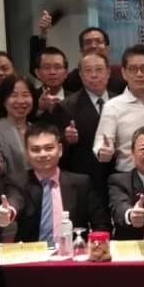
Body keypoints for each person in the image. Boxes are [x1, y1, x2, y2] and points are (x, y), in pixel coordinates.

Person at [0, 124, 110, 243]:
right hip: (32, 254)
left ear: (60, 150)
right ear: (27, 154)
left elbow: (100, 223)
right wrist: (9, 212)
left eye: (49, 148)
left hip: (73, 254)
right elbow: (15, 200)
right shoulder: (18, 182)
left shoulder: (81, 183)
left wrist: (96, 247)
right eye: (35, 149)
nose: (43, 154)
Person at [94, 45, 144, 173]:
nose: (139, 74)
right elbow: (101, 142)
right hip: (128, 177)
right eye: (133, 69)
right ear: (124, 73)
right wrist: (103, 151)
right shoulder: (112, 106)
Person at [56, 53, 116, 191]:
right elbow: (58, 146)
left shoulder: (120, 101)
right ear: (81, 76)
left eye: (99, 70)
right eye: (88, 71)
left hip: (117, 174)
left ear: (108, 72)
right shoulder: (66, 106)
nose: (94, 75)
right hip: (85, 178)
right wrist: (67, 139)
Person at [0, 75, 38, 180]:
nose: (21, 101)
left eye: (25, 95)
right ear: (3, 100)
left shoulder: (36, 128)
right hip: (11, 192)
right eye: (14, 95)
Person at [61, 25, 127, 95]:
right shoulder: (71, 80)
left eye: (98, 41)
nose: (93, 46)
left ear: (107, 48)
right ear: (81, 50)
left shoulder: (122, 75)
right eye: (88, 42)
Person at [33, 45, 70, 118]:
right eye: (46, 67)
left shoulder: (76, 100)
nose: (52, 72)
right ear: (37, 73)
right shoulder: (30, 99)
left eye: (57, 67)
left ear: (66, 73)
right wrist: (40, 109)